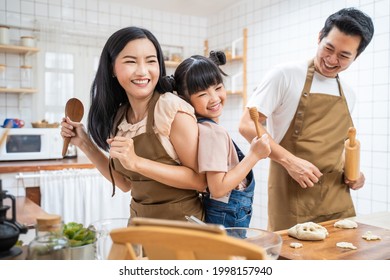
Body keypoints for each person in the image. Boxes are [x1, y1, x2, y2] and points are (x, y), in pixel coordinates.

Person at [239, 8, 374, 231]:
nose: (331, 60)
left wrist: (354, 174)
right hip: (293, 199)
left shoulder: (349, 93)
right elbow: (246, 125)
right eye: (328, 48)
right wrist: (289, 161)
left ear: (356, 56)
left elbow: (336, 145)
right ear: (320, 36)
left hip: (337, 199)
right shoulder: (284, 75)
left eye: (343, 55)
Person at [61, 26, 206, 222]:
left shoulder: (172, 109)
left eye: (151, 61)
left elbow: (200, 181)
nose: (142, 71)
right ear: (112, 67)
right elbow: (124, 183)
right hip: (139, 225)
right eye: (131, 61)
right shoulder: (120, 117)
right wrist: (84, 143)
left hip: (183, 230)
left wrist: (137, 162)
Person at [162, 51, 271, 228]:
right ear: (185, 99)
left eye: (218, 88)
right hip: (227, 214)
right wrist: (254, 155)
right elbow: (218, 188)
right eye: (202, 94)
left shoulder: (199, 126)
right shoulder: (213, 132)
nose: (214, 98)